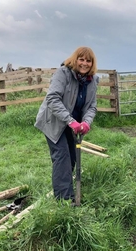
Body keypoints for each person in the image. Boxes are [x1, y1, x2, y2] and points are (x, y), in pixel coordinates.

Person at [35, 46, 99, 203]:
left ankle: (63, 188)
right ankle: (66, 202)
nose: (84, 63)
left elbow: (91, 106)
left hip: (74, 125)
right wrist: (70, 121)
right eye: (81, 59)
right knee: (62, 157)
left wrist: (86, 122)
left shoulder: (93, 80)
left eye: (88, 61)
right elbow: (52, 99)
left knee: (71, 159)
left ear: (92, 63)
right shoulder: (63, 73)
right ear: (75, 59)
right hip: (54, 122)